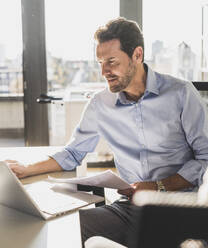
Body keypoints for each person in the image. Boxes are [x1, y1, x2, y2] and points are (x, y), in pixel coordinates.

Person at [6, 17, 208, 246]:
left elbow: (206, 158)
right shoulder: (100, 104)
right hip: (131, 208)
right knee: (62, 231)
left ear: (137, 55)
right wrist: (26, 169)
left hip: (182, 208)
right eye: (100, 62)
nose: (104, 71)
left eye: (111, 61)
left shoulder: (181, 94)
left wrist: (158, 186)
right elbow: (73, 153)